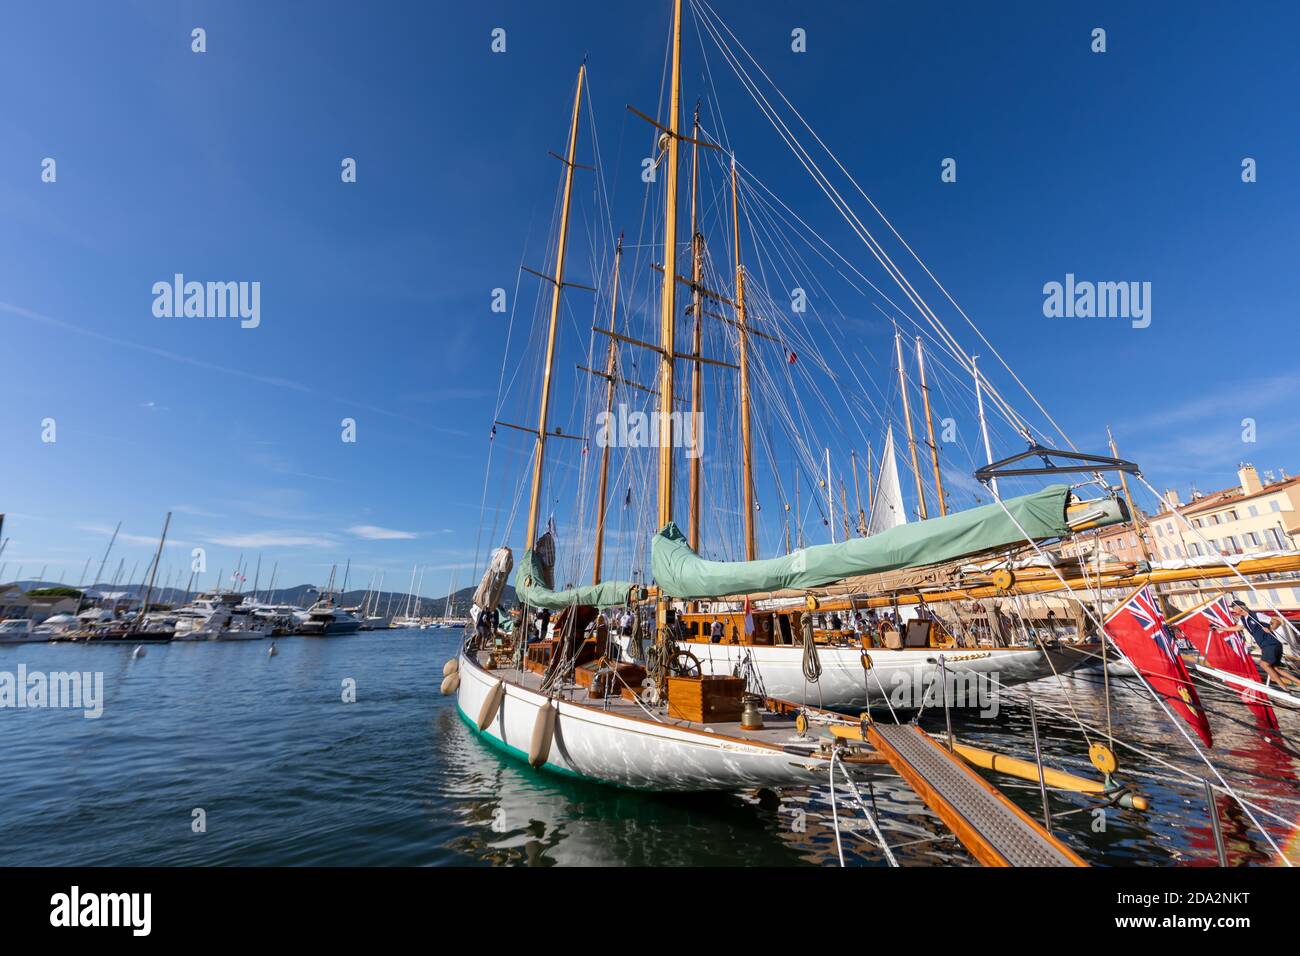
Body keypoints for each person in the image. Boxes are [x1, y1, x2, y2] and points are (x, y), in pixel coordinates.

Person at [1221, 600, 1298, 688]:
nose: (1234, 610)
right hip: (1266, 645)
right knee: (1276, 669)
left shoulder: (1256, 615)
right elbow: (1237, 628)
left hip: (1271, 643)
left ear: (1241, 607)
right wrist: (1220, 629)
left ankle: (1284, 688)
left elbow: (1277, 622)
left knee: (1263, 664)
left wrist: (1271, 629)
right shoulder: (1243, 619)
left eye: (1234, 608)